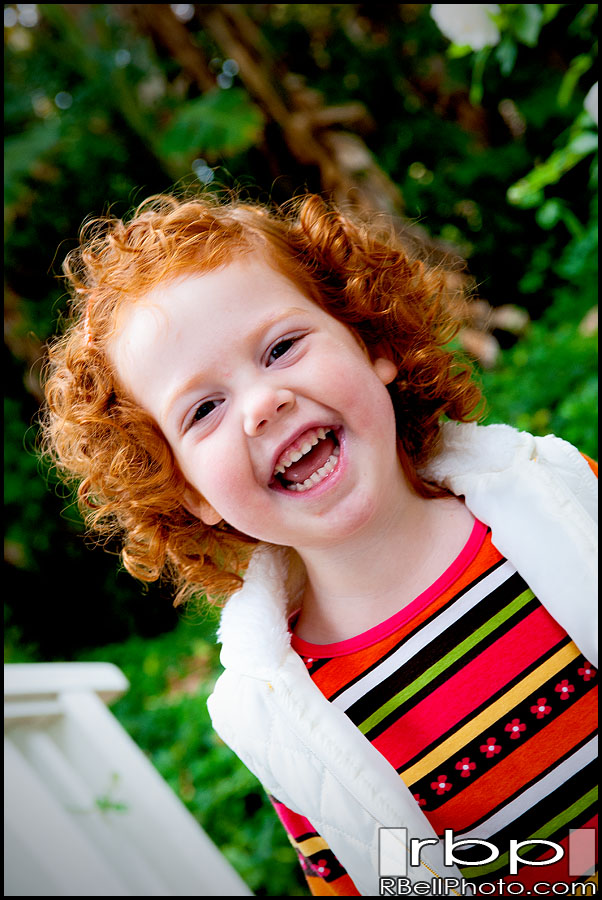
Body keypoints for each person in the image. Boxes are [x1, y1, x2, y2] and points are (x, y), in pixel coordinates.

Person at [41, 191, 597, 897]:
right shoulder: (282, 715)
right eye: (204, 408)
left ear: (370, 341)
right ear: (192, 494)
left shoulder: (556, 494)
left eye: (281, 348)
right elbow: (378, 878)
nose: (262, 402)